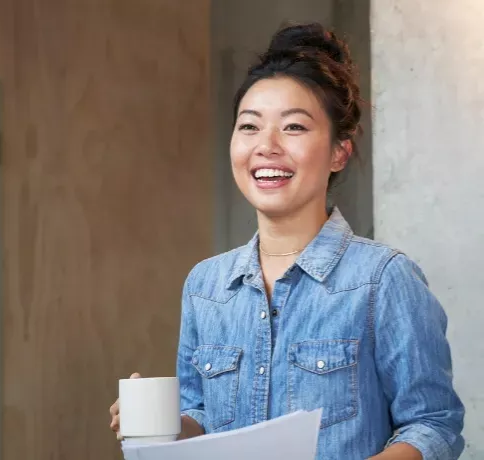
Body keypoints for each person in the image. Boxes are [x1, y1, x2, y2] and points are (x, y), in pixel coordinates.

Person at [108, 22, 465, 460]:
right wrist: (160, 425)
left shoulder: (383, 279)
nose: (266, 146)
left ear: (339, 151)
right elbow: (200, 414)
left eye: (293, 128)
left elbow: (433, 426)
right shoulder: (206, 285)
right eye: (249, 127)